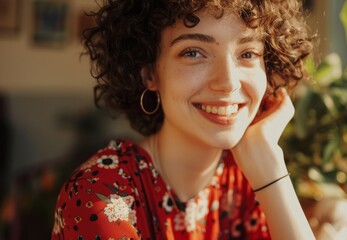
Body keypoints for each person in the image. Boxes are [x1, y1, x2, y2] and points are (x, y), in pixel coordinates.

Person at [51, 0, 315, 239]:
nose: (228, 82)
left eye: (248, 54)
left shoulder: (249, 175)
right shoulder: (96, 195)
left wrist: (270, 171)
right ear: (149, 73)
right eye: (193, 52)